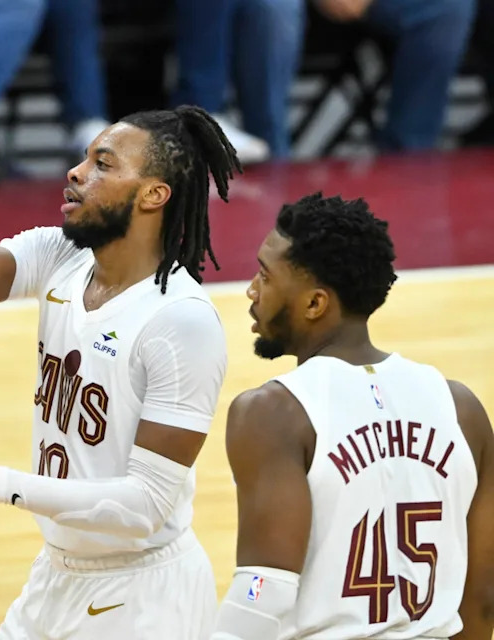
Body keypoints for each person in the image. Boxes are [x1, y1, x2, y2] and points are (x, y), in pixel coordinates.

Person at [0, 106, 240, 638]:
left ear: (153, 194)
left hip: (142, 597)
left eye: (103, 164)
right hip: (56, 575)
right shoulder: (61, 255)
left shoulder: (180, 321)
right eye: (85, 159)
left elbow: (146, 505)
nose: (77, 172)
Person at [210, 193, 494, 639]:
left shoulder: (273, 412)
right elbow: (482, 599)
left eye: (265, 275)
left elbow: (263, 595)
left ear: (314, 304)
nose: (251, 289)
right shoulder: (462, 408)